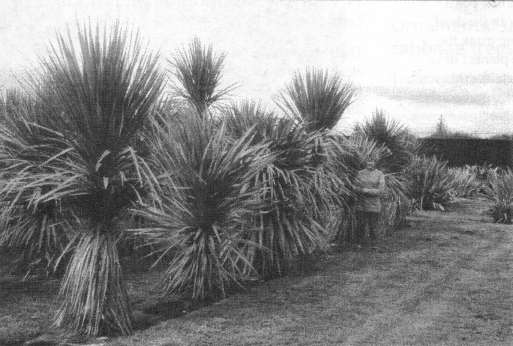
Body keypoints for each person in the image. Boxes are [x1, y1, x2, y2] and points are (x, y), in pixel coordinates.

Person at [355, 159, 385, 244]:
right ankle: (359, 243)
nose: (370, 164)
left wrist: (366, 191)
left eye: (372, 162)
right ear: (366, 162)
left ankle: (374, 243)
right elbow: (355, 187)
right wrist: (360, 190)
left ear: (375, 163)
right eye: (369, 161)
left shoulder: (380, 174)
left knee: (373, 225)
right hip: (361, 204)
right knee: (360, 224)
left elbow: (381, 190)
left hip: (374, 205)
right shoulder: (360, 173)